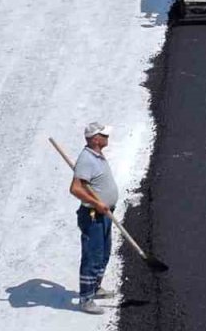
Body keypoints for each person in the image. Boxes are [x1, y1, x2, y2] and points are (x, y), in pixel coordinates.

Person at [70, 122, 121, 315]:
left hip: (105, 214)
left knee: (104, 252)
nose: (108, 138)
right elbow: (75, 188)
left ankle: (96, 288)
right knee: (92, 256)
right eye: (104, 135)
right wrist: (96, 203)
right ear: (95, 139)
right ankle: (86, 299)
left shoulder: (96, 155)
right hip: (93, 216)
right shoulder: (86, 159)